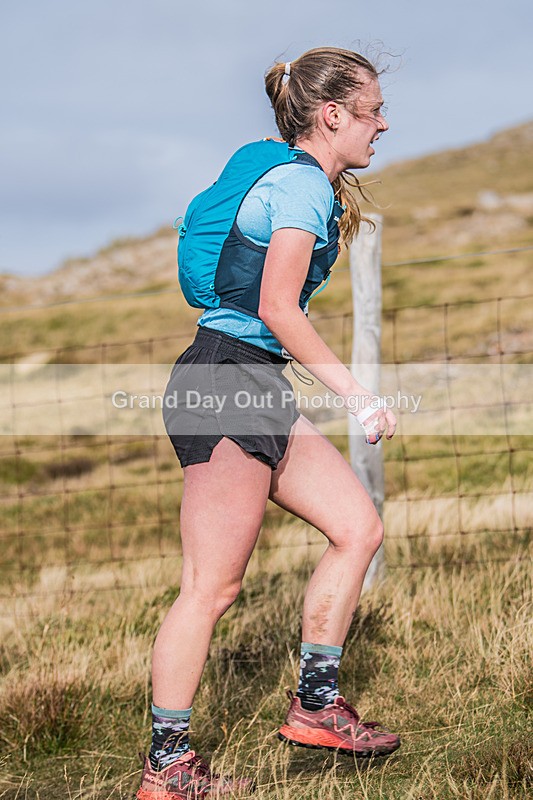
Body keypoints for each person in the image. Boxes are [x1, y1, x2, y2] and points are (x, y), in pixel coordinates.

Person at [136, 46, 399, 800]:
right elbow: (278, 309)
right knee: (210, 587)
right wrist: (357, 397)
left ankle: (315, 705)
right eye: (372, 109)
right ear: (332, 115)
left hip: (250, 382)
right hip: (224, 379)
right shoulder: (300, 187)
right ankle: (168, 768)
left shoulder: (300, 180)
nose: (383, 123)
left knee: (356, 528)